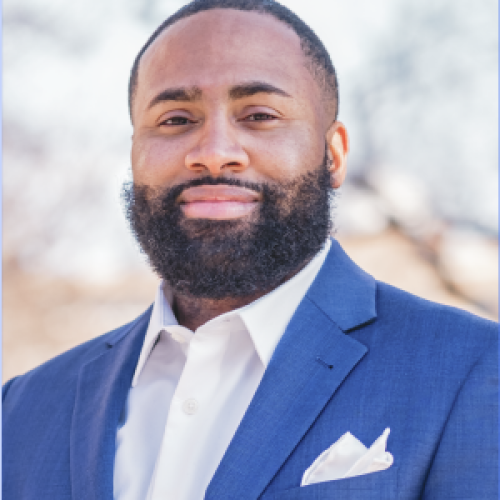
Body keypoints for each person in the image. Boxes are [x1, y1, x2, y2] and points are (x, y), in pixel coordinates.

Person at [3, 1, 498, 499]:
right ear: (134, 154)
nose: (214, 151)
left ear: (334, 155)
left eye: (259, 115)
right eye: (176, 119)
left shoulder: (472, 372)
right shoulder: (21, 410)